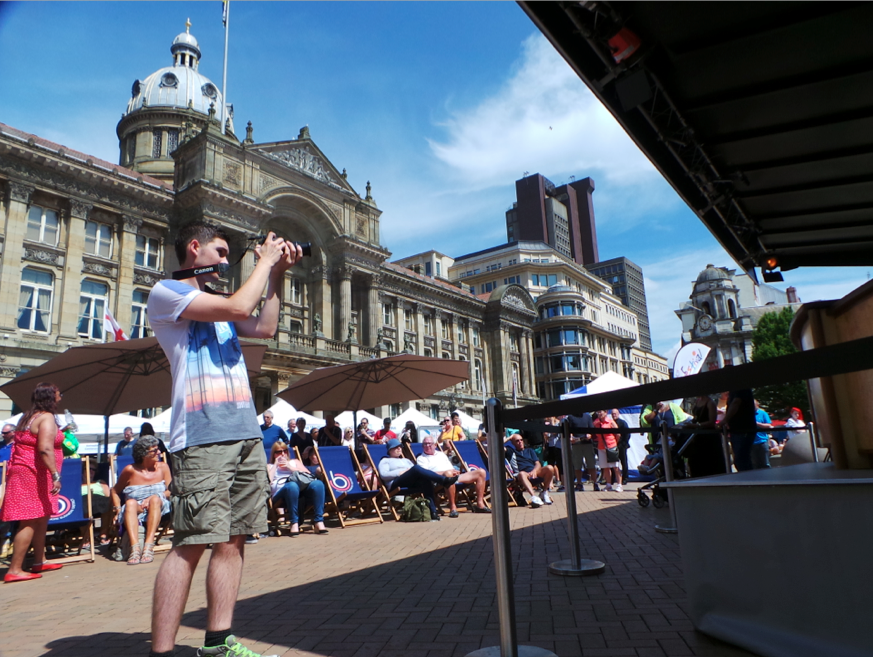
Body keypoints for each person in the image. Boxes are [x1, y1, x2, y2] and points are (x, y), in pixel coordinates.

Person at [146, 221, 301, 657]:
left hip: (244, 433)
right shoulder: (167, 293)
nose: (225, 262)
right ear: (194, 248)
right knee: (191, 543)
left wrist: (277, 276)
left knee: (233, 541)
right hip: (201, 435)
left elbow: (264, 328)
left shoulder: (220, 303)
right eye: (219, 252)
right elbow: (238, 307)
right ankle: (162, 650)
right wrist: (264, 260)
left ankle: (218, 641)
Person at [1, 382, 65, 583]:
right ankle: (15, 569)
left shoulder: (28, 415)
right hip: (33, 472)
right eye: (57, 393)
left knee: (41, 517)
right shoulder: (46, 418)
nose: (60, 396)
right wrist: (55, 474)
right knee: (29, 519)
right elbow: (45, 448)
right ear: (50, 397)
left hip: (27, 471)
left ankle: (39, 560)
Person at [111, 435, 172, 565]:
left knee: (155, 500)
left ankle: (148, 546)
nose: (159, 452)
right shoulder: (130, 470)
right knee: (130, 503)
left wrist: (153, 497)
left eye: (158, 449)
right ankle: (135, 548)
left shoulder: (163, 467)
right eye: (154, 450)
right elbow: (114, 491)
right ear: (143, 453)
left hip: (159, 505)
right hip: (136, 508)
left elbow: (171, 490)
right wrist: (116, 510)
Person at [377, 438, 458, 521]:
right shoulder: (385, 461)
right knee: (416, 468)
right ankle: (443, 480)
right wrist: (400, 472)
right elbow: (383, 475)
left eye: (400, 447)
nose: (399, 449)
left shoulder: (406, 460)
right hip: (395, 483)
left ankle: (433, 512)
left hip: (409, 482)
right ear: (390, 450)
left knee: (426, 480)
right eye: (396, 447)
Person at [416, 436, 490, 517]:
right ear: (422, 446)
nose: (427, 446)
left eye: (430, 443)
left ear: (435, 445)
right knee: (448, 475)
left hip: (452, 476)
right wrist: (446, 472)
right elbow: (426, 474)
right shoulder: (421, 458)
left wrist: (455, 472)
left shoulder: (441, 454)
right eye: (425, 444)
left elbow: (450, 467)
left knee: (481, 472)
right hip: (438, 480)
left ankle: (480, 504)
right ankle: (453, 507)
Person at [268, 442, 327, 536]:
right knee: (292, 485)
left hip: (300, 491)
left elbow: (309, 475)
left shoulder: (294, 462)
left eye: (285, 451)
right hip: (280, 494)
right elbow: (268, 481)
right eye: (279, 452)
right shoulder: (270, 466)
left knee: (318, 484)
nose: (283, 454)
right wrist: (275, 464)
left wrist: (290, 467)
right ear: (274, 454)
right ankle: (294, 522)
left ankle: (318, 521)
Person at [504, 434, 556, 506]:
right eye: (517, 441)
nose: (520, 442)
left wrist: (534, 470)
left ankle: (544, 492)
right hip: (523, 474)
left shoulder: (529, 450)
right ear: (513, 443)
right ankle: (534, 497)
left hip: (534, 472)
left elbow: (537, 463)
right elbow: (498, 446)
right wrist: (510, 437)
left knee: (550, 468)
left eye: (521, 440)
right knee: (522, 474)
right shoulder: (510, 451)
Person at [683, 394, 726, 477]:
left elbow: (711, 422)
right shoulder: (698, 401)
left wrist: (697, 425)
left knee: (710, 461)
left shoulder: (710, 403)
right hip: (698, 436)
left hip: (709, 437)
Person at [718, 389, 757, 472]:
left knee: (741, 459)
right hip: (736, 430)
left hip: (744, 429)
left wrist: (725, 420)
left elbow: (736, 403)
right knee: (741, 459)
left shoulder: (741, 388)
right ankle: (749, 480)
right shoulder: (733, 391)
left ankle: (749, 481)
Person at [81, 458, 112, 548]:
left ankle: (103, 535)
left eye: (93, 469)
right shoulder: (77, 484)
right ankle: (86, 537)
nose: (91, 471)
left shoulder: (100, 482)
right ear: (82, 471)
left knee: (109, 503)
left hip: (100, 502)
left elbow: (108, 495)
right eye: (88, 468)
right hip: (84, 502)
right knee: (82, 505)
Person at [568, 412, 598, 491]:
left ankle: (595, 483)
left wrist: (589, 435)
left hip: (587, 443)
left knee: (591, 464)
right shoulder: (571, 417)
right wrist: (571, 437)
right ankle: (579, 483)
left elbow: (591, 429)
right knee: (578, 465)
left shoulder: (588, 417)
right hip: (576, 444)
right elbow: (569, 430)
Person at [594, 410, 622, 492]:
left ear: (605, 412)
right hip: (601, 446)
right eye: (598, 412)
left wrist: (614, 443)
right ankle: (608, 484)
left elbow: (618, 434)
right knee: (605, 467)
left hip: (611, 446)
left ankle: (619, 484)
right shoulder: (597, 423)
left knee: (615, 466)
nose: (599, 414)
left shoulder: (611, 422)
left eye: (601, 412)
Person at [611, 409, 630, 486]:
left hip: (621, 445)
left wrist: (624, 443)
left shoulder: (622, 423)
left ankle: (625, 479)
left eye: (615, 413)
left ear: (618, 414)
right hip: (613, 445)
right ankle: (612, 479)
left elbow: (627, 434)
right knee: (613, 463)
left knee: (624, 462)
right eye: (612, 414)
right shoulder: (610, 423)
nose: (614, 415)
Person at [752, 401, 773, 470]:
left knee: (765, 463)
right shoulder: (747, 414)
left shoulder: (763, 413)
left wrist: (757, 424)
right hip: (752, 442)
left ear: (757, 405)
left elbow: (768, 425)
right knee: (754, 464)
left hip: (762, 441)